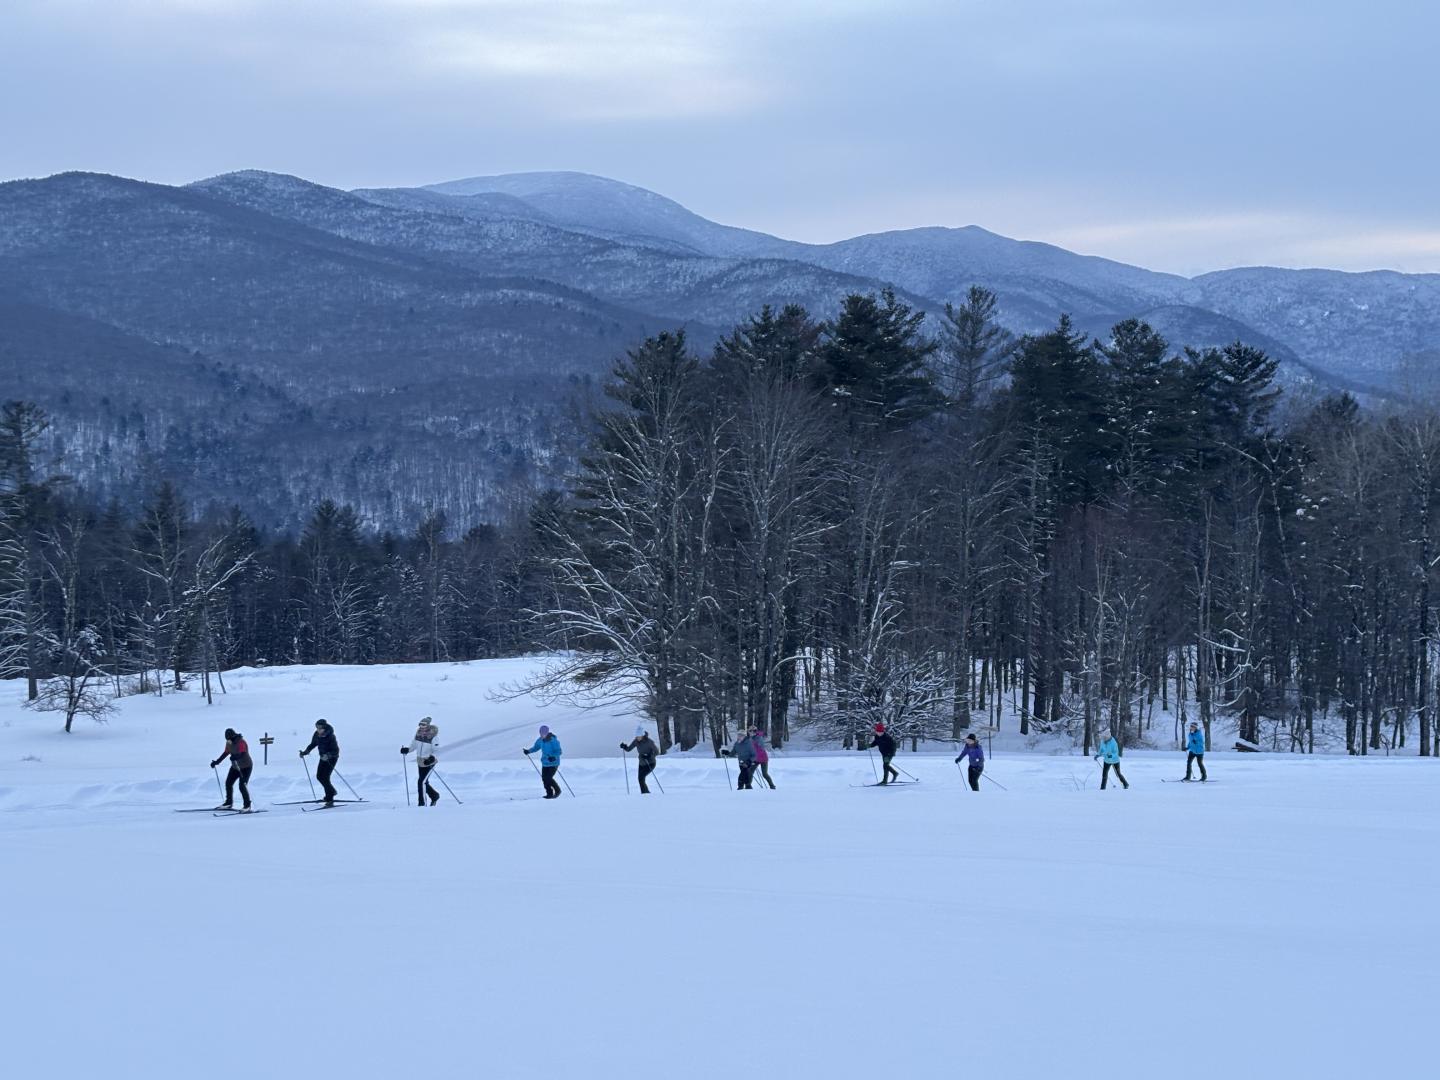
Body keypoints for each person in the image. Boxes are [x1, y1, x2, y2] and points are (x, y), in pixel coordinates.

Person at [400, 717, 440, 806]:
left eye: (424, 724)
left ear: (428, 725)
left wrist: (431, 758)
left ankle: (422, 804)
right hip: (420, 762)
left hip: (429, 762)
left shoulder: (434, 737)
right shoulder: (418, 735)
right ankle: (434, 795)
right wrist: (407, 750)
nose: (421, 726)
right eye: (420, 724)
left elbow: (436, 750)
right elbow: (413, 745)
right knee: (423, 782)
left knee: (421, 782)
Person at [210, 728, 253, 810]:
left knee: (242, 786)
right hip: (235, 767)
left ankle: (247, 805)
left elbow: (243, 753)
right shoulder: (229, 742)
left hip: (246, 767)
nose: (229, 740)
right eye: (227, 739)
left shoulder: (241, 742)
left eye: (230, 738)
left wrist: (236, 756)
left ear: (233, 736)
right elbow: (226, 752)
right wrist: (217, 762)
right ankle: (228, 803)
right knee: (228, 783)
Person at [300, 719, 340, 805]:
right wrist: (305, 752)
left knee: (325, 777)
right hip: (322, 758)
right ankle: (331, 792)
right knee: (319, 776)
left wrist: (328, 756)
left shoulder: (331, 736)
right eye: (317, 727)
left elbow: (336, 751)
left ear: (324, 728)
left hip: (332, 758)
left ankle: (329, 797)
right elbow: (313, 744)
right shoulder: (316, 734)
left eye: (320, 728)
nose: (318, 729)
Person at [524, 725, 563, 798]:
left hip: (554, 763)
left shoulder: (553, 740)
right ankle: (549, 794)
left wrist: (553, 757)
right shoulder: (540, 740)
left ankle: (557, 791)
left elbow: (559, 751)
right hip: (545, 763)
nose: (542, 735)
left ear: (547, 733)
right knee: (544, 779)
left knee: (548, 778)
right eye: (541, 733)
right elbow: (535, 748)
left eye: (544, 733)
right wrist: (528, 751)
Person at [620, 726, 659, 794]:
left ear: (643, 735)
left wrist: (649, 756)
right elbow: (629, 749)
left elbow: (657, 752)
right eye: (636, 736)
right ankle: (645, 793)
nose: (637, 738)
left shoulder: (649, 742)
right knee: (640, 779)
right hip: (641, 763)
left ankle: (645, 793)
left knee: (641, 778)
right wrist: (624, 747)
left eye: (639, 736)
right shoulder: (636, 741)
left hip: (650, 763)